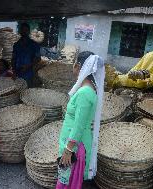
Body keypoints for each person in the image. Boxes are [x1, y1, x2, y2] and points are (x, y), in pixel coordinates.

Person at [56, 51, 105, 189]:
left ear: (78, 66)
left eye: (73, 64)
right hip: (75, 142)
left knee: (66, 181)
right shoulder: (88, 89)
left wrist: (68, 149)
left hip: (75, 146)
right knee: (69, 180)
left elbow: (79, 125)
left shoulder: (84, 93)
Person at [11, 23, 41, 87]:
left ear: (28, 31)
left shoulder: (34, 45)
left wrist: (28, 66)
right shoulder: (16, 45)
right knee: (17, 92)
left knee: (27, 92)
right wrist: (13, 71)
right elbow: (13, 58)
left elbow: (38, 58)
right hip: (17, 73)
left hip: (29, 74)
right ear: (20, 31)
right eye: (22, 30)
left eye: (26, 30)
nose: (24, 32)